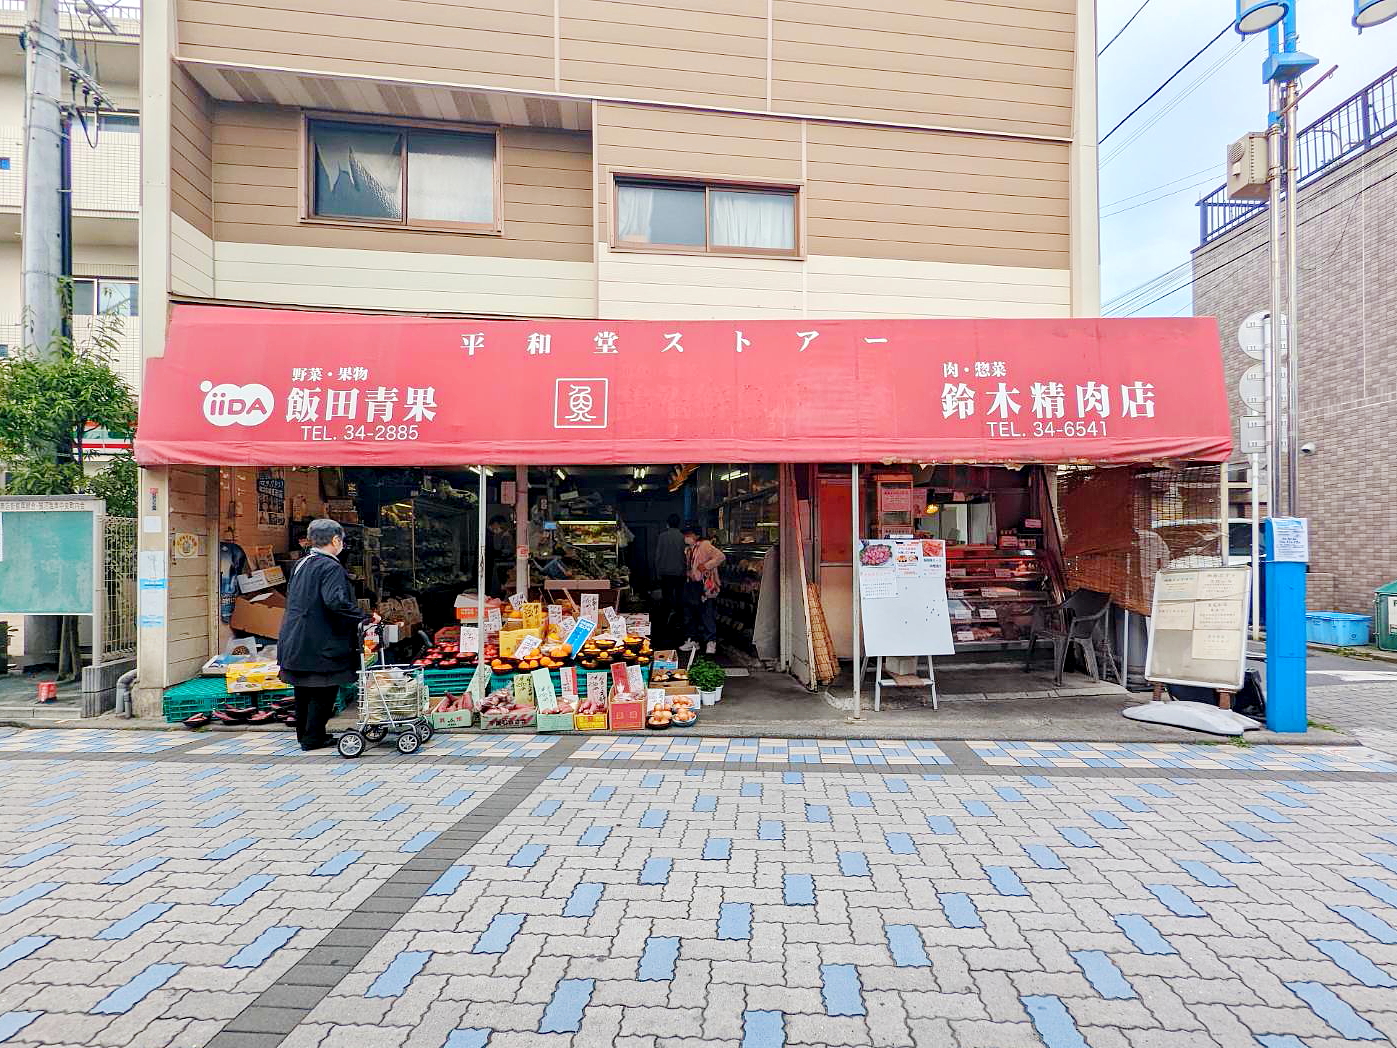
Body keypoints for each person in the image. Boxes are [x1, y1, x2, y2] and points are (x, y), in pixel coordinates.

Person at [277, 519, 371, 752]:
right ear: (336, 540)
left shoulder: (301, 564)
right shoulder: (331, 567)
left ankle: (307, 736)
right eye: (342, 541)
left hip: (296, 638)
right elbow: (335, 601)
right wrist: (363, 617)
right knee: (323, 689)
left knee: (303, 690)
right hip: (321, 641)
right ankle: (313, 738)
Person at [680, 523, 725, 655]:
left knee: (706, 612)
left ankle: (711, 642)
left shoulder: (705, 545)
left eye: (689, 534)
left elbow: (721, 556)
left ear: (697, 535)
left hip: (703, 585)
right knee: (690, 612)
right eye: (685, 535)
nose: (686, 537)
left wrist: (706, 566)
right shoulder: (689, 548)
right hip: (691, 584)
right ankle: (693, 639)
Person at [654, 514, 687, 642]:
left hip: (666, 573)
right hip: (680, 573)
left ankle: (665, 625)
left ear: (667, 524)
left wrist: (657, 573)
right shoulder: (683, 538)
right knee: (680, 598)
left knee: (667, 598)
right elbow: (686, 557)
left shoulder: (662, 537)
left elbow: (658, 556)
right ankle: (679, 622)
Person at [486, 515, 512, 597]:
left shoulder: (489, 534)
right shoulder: (487, 535)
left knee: (488, 587)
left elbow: (491, 551)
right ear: (495, 524)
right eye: (501, 526)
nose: (501, 529)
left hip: (488, 564)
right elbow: (489, 552)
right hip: (485, 565)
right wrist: (501, 552)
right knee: (486, 587)